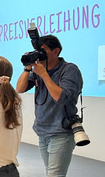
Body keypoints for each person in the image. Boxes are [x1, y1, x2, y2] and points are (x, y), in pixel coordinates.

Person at [16, 34, 83, 177]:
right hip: (42, 131)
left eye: (44, 50)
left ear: (56, 51)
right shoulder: (38, 70)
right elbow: (20, 89)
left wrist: (44, 75)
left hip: (61, 132)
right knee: (51, 173)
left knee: (54, 175)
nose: (40, 55)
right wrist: (27, 69)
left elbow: (61, 98)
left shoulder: (70, 70)